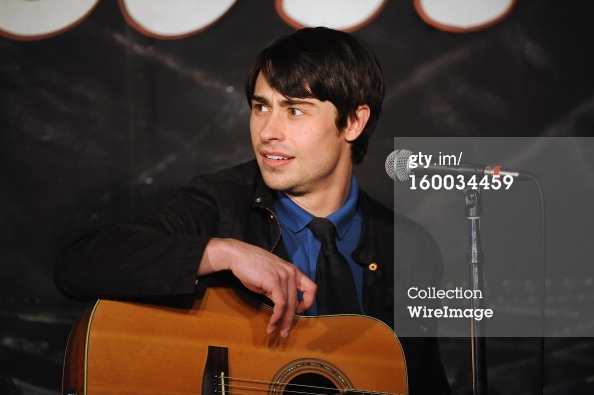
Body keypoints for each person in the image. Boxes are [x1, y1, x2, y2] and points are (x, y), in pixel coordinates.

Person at [55, 27, 450, 394]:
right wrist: (221, 251)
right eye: (261, 107)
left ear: (352, 121)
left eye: (295, 110)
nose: (267, 131)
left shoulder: (410, 247)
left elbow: (420, 380)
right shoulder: (219, 202)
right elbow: (79, 264)